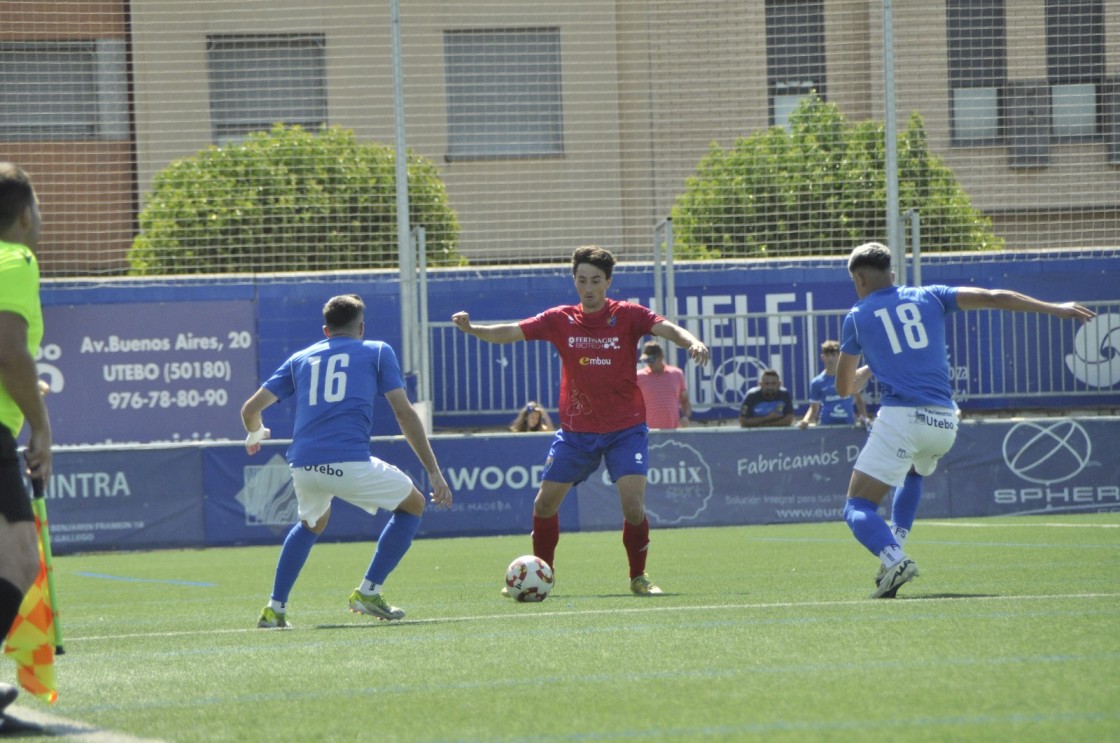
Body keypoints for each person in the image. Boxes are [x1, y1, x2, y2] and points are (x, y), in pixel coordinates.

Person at [835, 241, 1095, 598]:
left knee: (857, 506)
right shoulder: (931, 296)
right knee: (913, 473)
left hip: (902, 419)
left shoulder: (857, 315)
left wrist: (861, 376)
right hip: (944, 422)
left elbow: (843, 387)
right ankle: (894, 549)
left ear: (859, 278)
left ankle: (894, 558)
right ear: (892, 274)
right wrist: (1055, 308)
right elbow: (994, 296)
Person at [451, 245, 709, 595]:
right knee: (543, 504)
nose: (588, 287)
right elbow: (510, 332)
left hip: (626, 429)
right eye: (582, 280)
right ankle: (543, 576)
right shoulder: (560, 319)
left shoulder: (629, 315)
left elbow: (667, 329)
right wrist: (473, 329)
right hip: (576, 432)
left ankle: (639, 577)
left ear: (608, 282)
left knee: (633, 507)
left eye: (596, 281)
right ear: (574, 280)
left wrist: (692, 341)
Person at [241, 294, 453, 628]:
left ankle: (275, 609)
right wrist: (434, 471)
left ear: (326, 330)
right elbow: (404, 413)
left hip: (303, 467)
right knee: (412, 505)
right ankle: (369, 592)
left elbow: (250, 410)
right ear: (362, 328)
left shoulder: (300, 358)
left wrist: (256, 434)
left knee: (311, 525)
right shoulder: (378, 350)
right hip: (349, 463)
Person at [0, 163, 51, 722]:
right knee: (17, 560)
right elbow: (9, 350)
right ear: (25, 214)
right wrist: (41, 424)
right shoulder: (15, 257)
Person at [797, 340, 869, 429]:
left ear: (839, 356)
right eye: (827, 355)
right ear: (822, 357)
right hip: (826, 427)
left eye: (833, 355)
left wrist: (864, 418)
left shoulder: (848, 377)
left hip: (849, 427)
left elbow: (859, 401)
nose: (830, 359)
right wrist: (806, 420)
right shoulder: (817, 382)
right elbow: (814, 408)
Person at [636, 341, 692, 429]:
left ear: (660, 357)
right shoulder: (639, 377)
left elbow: (685, 401)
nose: (649, 363)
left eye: (651, 360)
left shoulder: (677, 374)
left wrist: (686, 417)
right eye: (646, 360)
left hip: (673, 431)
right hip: (648, 434)